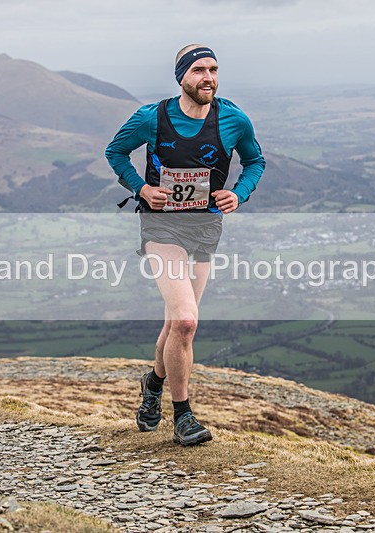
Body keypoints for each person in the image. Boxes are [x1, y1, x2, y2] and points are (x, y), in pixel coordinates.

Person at [105, 44, 265, 445]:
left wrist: (238, 194)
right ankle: (183, 416)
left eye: (213, 69)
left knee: (178, 323)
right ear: (182, 77)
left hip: (205, 227)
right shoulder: (152, 118)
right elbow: (115, 151)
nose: (208, 77)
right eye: (199, 70)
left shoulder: (233, 118)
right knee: (186, 321)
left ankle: (153, 384)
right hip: (162, 228)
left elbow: (255, 161)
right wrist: (141, 187)